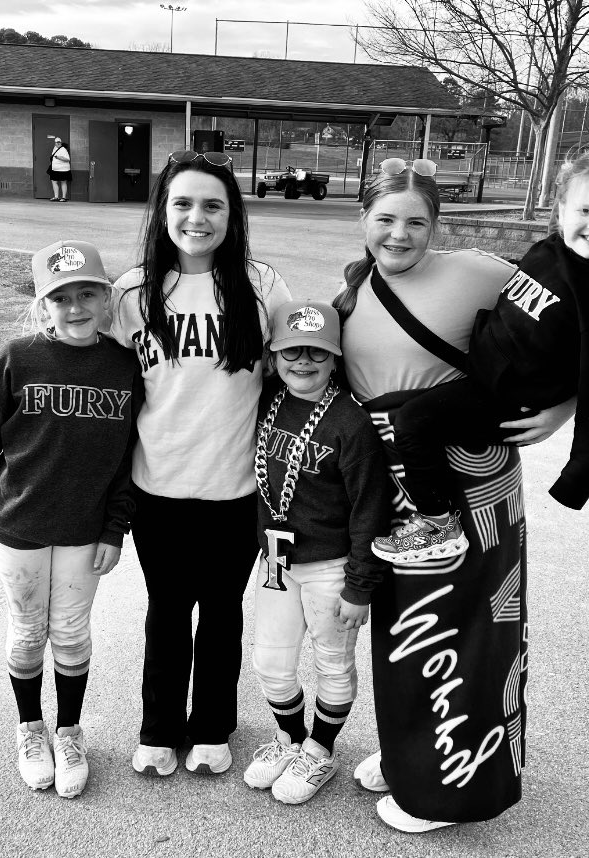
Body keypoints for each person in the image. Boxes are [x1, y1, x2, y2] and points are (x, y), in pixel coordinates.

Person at [333, 156, 576, 833]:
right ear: (363, 220)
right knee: (406, 625)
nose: (400, 234)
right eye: (385, 219)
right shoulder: (352, 292)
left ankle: (452, 787)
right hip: (393, 481)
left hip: (470, 484)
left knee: (467, 627)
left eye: (417, 222)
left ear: (437, 226)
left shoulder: (476, 271)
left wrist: (566, 404)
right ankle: (416, 753)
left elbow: (583, 318)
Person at [371, 142, 589, 565]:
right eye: (584, 210)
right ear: (561, 208)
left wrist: (578, 475)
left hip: (509, 402)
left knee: (414, 422)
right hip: (486, 379)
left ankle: (439, 525)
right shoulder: (549, 251)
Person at [109, 149, 291, 778]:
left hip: (235, 490)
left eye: (213, 204)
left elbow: (298, 369)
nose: (197, 216)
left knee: (220, 614)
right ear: (162, 211)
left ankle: (213, 727)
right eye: (182, 203)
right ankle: (158, 728)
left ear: (232, 215)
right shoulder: (130, 293)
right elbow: (105, 383)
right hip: (156, 487)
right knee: (166, 609)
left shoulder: (261, 285)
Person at [0, 239, 141, 800]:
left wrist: (115, 527)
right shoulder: (16, 359)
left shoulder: (123, 366)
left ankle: (69, 731)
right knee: (29, 628)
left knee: (72, 631)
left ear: (107, 301)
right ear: (43, 307)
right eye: (61, 298)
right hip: (19, 525)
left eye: (88, 293)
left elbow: (132, 457)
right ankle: (31, 728)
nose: (76, 307)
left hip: (85, 530)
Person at [243, 299, 390, 805]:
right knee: (270, 662)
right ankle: (288, 737)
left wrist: (359, 586)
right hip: (278, 562)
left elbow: (371, 511)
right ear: (273, 355)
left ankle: (320, 750)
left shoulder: (351, 422)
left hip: (331, 565)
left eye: (317, 353)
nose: (302, 363)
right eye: (290, 352)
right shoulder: (268, 401)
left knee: (332, 661)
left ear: (335, 358)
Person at [49, 137, 72, 202]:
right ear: (55, 143)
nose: (58, 143)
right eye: (57, 142)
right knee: (54, 181)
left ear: (61, 143)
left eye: (59, 142)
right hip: (55, 169)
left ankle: (63, 198)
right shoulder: (55, 148)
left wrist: (59, 157)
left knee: (63, 182)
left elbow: (68, 159)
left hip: (63, 169)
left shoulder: (63, 150)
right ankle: (56, 197)